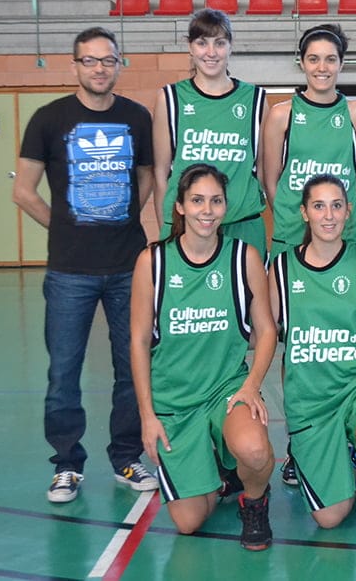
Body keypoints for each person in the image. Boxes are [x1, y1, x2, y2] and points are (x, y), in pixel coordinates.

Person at [13, 26, 158, 504]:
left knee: (130, 365)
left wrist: (118, 219)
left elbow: (146, 180)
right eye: (90, 60)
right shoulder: (48, 119)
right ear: (74, 65)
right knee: (64, 371)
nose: (100, 68)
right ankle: (67, 465)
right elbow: (23, 190)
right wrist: (64, 227)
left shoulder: (137, 118)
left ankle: (126, 458)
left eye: (108, 60)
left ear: (120, 64)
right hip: (69, 271)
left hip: (126, 267)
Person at [129, 163, 278, 550]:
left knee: (256, 450)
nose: (206, 210)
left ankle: (255, 501)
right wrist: (147, 415)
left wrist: (252, 385)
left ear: (226, 207)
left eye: (215, 201)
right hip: (174, 401)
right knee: (188, 523)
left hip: (225, 389)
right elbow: (139, 341)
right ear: (178, 206)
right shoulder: (153, 262)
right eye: (197, 201)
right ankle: (218, 470)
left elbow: (266, 330)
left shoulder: (242, 257)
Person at [268, 175, 356, 532]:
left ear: (348, 212)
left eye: (336, 206)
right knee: (329, 518)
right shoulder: (281, 269)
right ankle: (336, 455)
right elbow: (278, 340)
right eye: (318, 206)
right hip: (311, 402)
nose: (328, 215)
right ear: (304, 213)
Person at [153, 8, 269, 255]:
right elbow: (161, 172)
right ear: (190, 47)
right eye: (202, 42)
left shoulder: (255, 99)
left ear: (230, 46)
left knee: (248, 294)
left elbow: (264, 171)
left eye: (219, 43)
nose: (211, 52)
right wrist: (168, 224)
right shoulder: (171, 98)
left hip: (242, 225)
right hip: (186, 227)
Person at [262, 24, 356, 259]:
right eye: (313, 59)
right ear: (302, 63)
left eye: (330, 59)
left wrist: (346, 203)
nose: (322, 68)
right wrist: (288, 217)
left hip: (345, 235)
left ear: (341, 63)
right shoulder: (282, 115)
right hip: (292, 234)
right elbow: (270, 181)